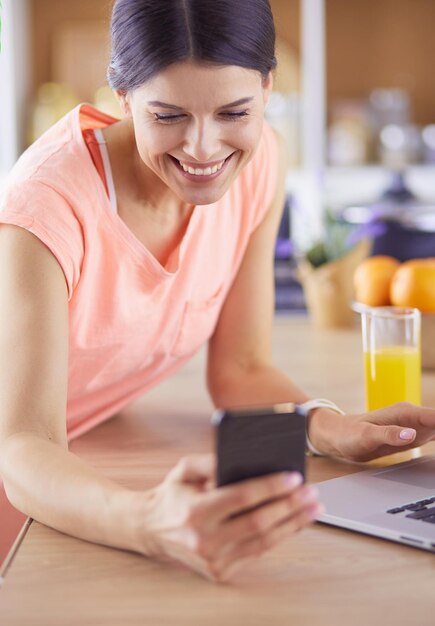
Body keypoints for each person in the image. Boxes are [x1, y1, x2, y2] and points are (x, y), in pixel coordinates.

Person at [0, 0, 434, 584]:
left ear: (268, 86)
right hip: (27, 489)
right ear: (122, 98)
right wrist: (147, 519)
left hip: (74, 463)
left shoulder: (259, 164)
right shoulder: (45, 208)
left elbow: (241, 368)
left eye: (234, 111)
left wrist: (330, 428)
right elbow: (22, 445)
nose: (204, 149)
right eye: (168, 115)